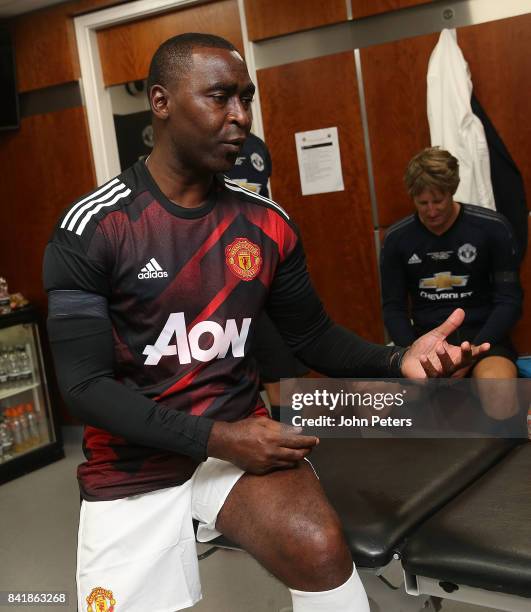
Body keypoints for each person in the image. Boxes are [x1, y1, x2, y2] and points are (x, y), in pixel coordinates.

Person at [43, 35, 488, 612]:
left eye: (247, 99)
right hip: (134, 463)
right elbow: (84, 390)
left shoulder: (266, 224)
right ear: (160, 102)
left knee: (321, 550)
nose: (242, 117)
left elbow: (311, 335)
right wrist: (221, 439)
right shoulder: (96, 227)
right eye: (221, 97)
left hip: (235, 442)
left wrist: (395, 359)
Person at [380, 147, 522, 423]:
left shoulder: (492, 228)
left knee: (500, 392)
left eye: (438, 200)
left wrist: (470, 353)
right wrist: (416, 353)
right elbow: (393, 308)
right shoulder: (398, 239)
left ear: (452, 191)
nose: (431, 211)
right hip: (424, 345)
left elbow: (509, 301)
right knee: (380, 403)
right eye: (422, 203)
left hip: (483, 341)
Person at [225, 132, 310, 419]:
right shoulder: (208, 147)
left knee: (284, 370)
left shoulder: (257, 146)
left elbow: (263, 200)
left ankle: (291, 437)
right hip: (228, 284)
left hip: (266, 272)